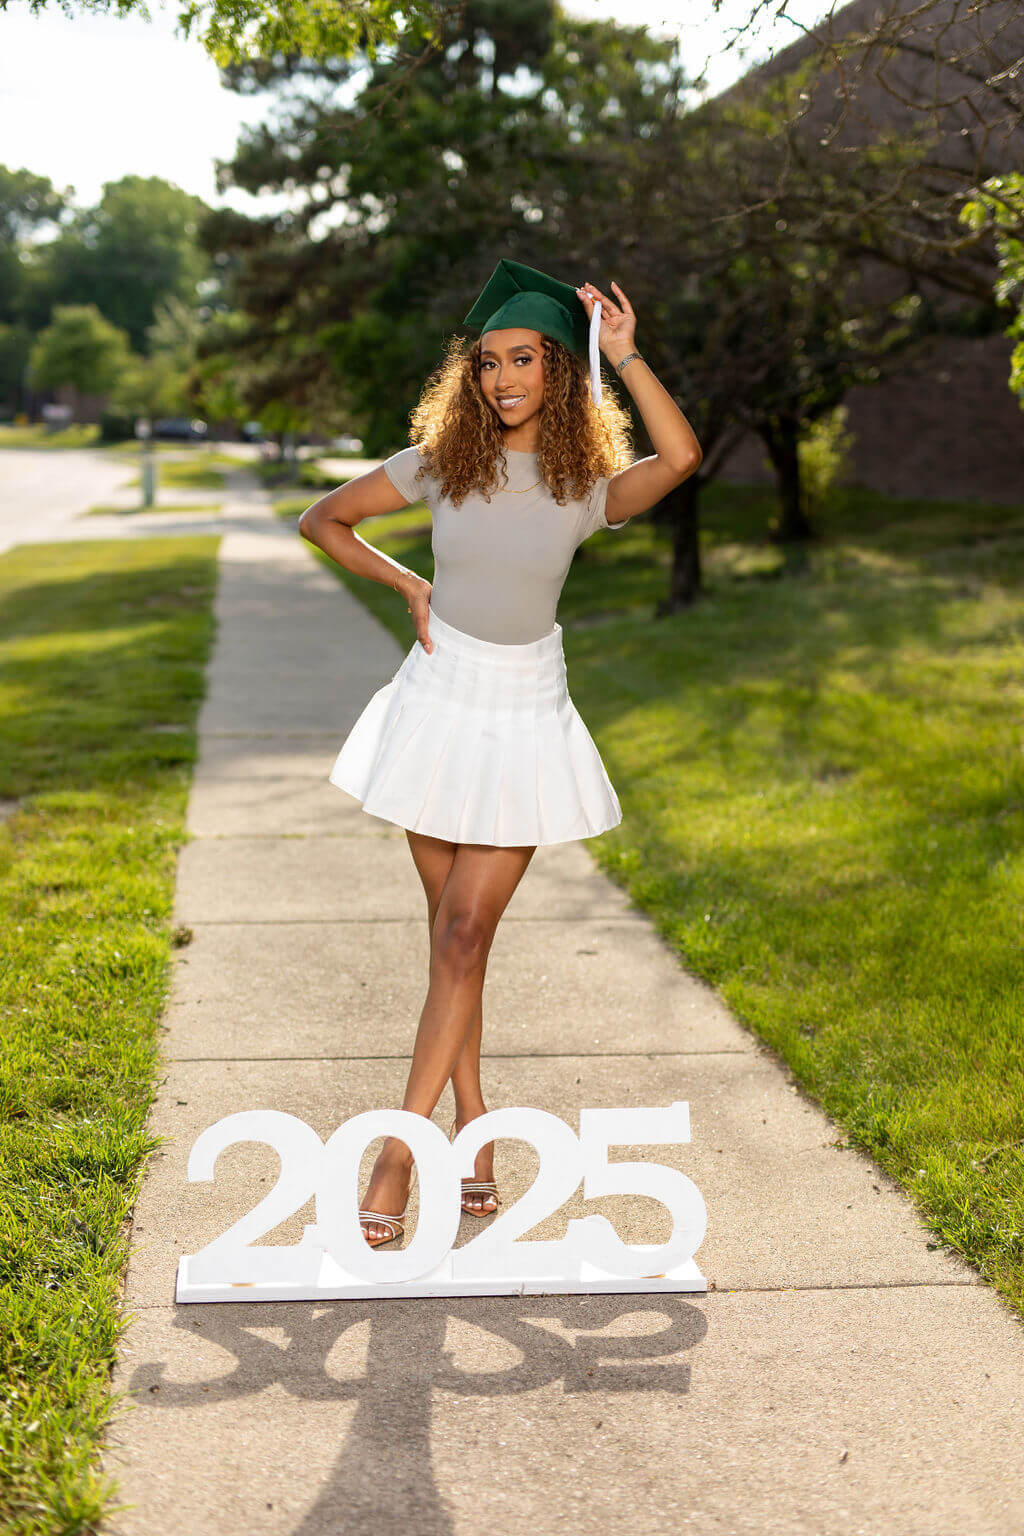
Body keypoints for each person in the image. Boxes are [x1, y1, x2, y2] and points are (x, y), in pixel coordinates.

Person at [298, 258, 702, 1249]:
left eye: (523, 359)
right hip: (439, 704)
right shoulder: (442, 462)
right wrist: (407, 584)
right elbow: (324, 520)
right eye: (487, 362)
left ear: (557, 370)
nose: (503, 378)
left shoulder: (586, 488)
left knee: (464, 937)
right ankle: (473, 1131)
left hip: (525, 714)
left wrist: (626, 353)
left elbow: (682, 456)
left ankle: (398, 1157)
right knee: (454, 942)